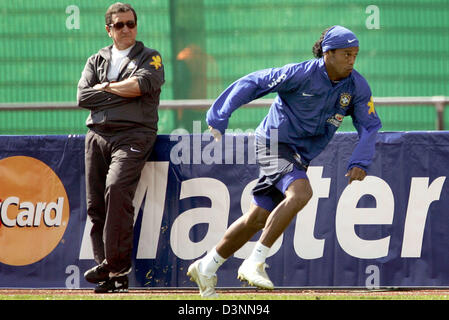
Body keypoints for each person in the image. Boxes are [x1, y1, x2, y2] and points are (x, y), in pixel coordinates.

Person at [187, 25, 382, 297]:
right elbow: (253, 82)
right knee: (302, 192)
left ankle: (207, 266)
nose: (352, 60)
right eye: (346, 54)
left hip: (300, 155)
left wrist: (360, 160)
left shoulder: (357, 86)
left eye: (355, 54)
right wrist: (219, 115)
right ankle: (255, 261)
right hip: (273, 142)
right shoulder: (300, 73)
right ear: (328, 53)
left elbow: (370, 125)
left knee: (257, 217)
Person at [77, 2, 164, 293]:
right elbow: (83, 97)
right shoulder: (95, 60)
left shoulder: (150, 57)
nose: (126, 29)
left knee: (115, 189)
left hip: (134, 135)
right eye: (119, 25)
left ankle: (116, 264)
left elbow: (141, 86)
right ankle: (110, 274)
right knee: (95, 205)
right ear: (108, 30)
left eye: (131, 24)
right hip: (97, 135)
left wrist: (105, 87)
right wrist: (120, 90)